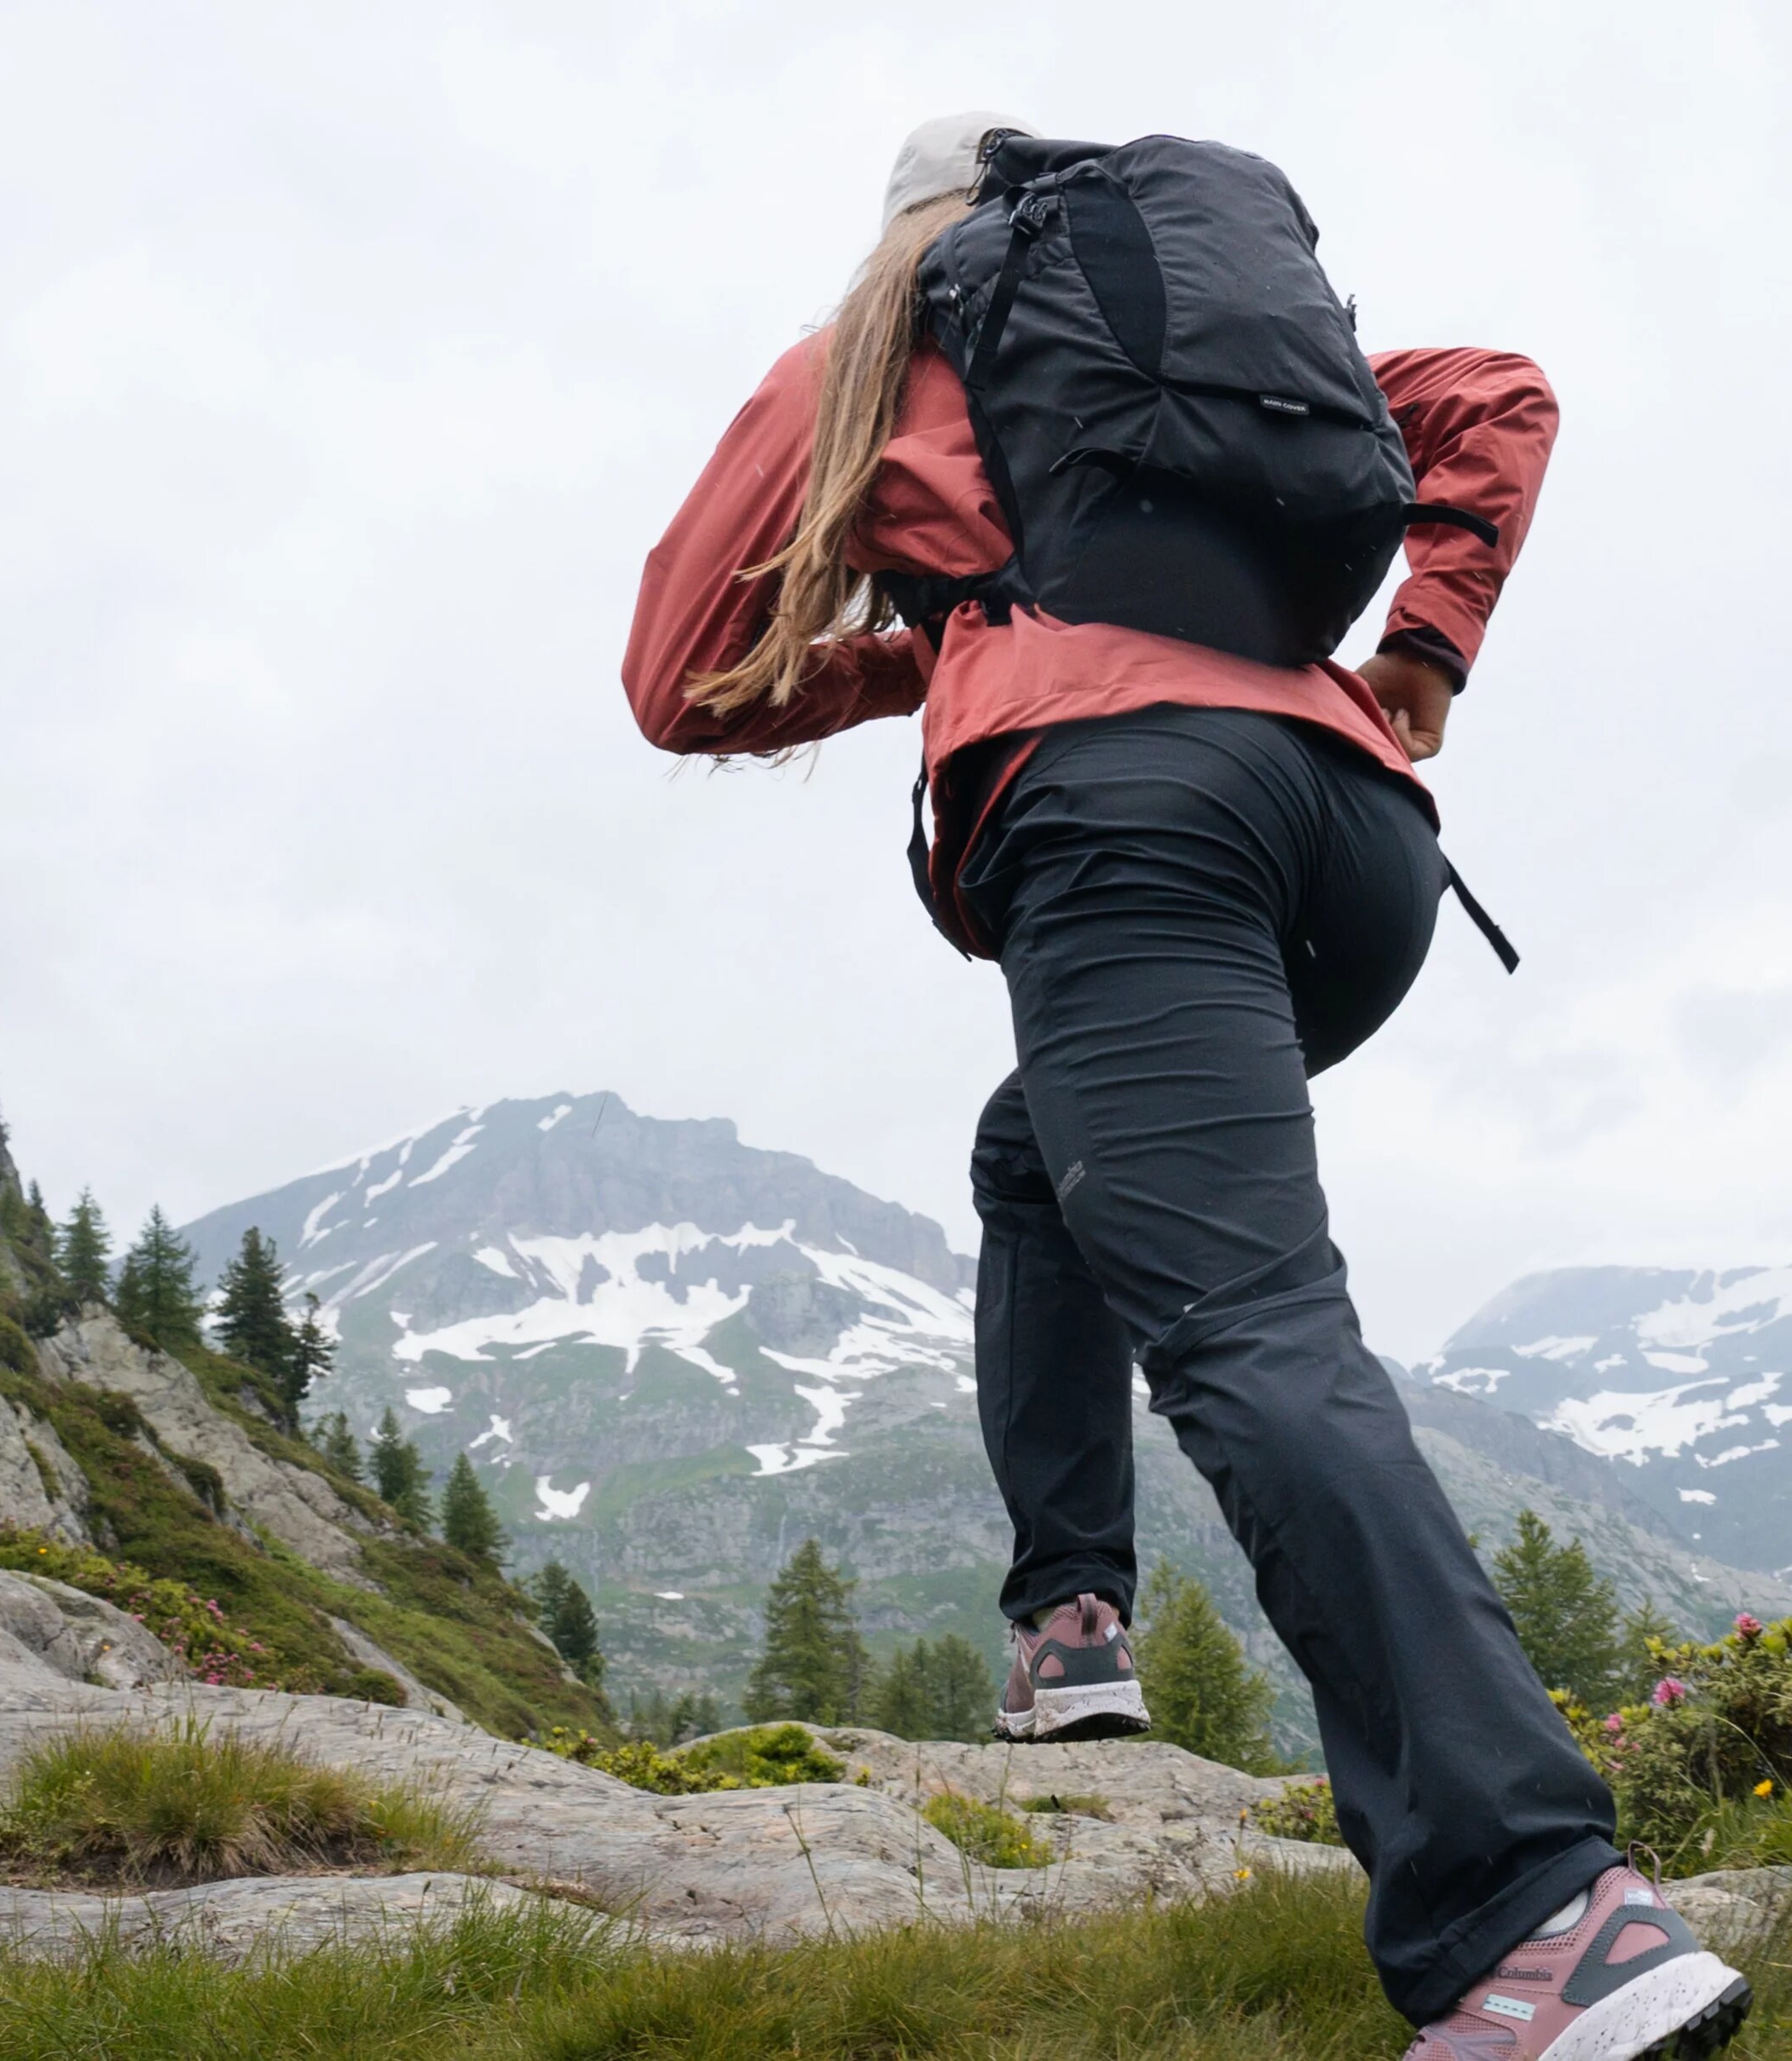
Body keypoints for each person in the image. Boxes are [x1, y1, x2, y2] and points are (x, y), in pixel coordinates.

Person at [622, 112, 1751, 2061]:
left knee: (1246, 1327)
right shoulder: (1229, 348)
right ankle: (1075, 1625)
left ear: (909, 241)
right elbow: (1497, 393)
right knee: (1039, 1161)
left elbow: (676, 671)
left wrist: (919, 655)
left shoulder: (875, 362)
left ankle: (1545, 1921)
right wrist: (1430, 650)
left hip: (1130, 815)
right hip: (1355, 839)